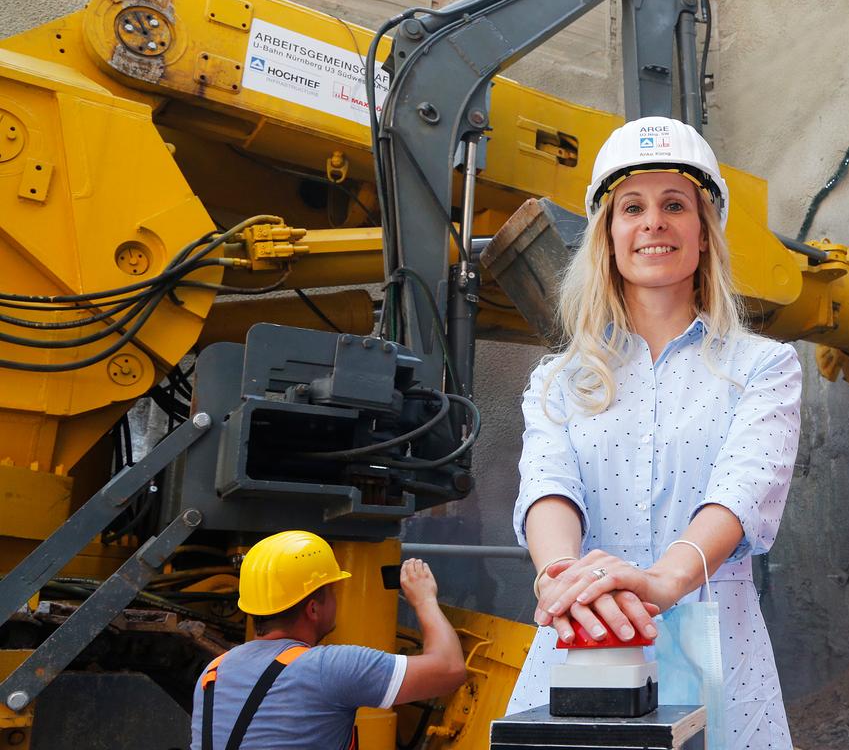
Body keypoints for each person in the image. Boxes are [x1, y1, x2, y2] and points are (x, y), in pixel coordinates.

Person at [505, 115, 801, 750]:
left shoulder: (764, 369)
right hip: (584, 642)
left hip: (717, 649)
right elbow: (548, 487)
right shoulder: (559, 382)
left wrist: (666, 581)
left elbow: (742, 491)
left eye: (675, 205)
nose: (653, 222)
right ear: (608, 236)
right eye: (631, 207)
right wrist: (560, 576)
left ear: (703, 234)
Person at [190, 531, 466, 750]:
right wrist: (424, 599)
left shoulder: (214, 672)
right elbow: (449, 670)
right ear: (313, 609)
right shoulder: (328, 667)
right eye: (332, 592)